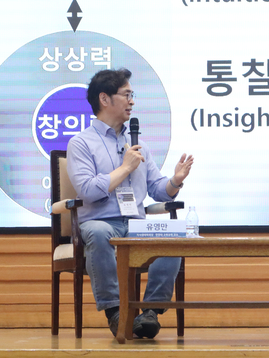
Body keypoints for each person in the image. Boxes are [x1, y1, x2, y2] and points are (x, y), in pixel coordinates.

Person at [67, 68, 194, 339]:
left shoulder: (139, 145)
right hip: (101, 222)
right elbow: (88, 190)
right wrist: (125, 168)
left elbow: (157, 190)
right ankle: (116, 313)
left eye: (132, 95)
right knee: (99, 233)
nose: (132, 101)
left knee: (174, 237)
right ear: (104, 99)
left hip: (136, 225)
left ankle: (150, 312)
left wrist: (175, 181)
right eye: (126, 95)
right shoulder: (81, 144)